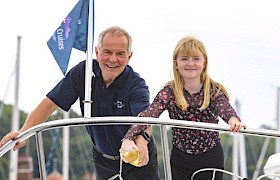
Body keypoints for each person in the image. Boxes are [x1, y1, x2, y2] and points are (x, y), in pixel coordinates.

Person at [0, 26, 160, 180]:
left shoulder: (136, 85)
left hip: (135, 157)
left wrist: (141, 142)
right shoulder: (83, 72)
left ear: (129, 57)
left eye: (120, 54)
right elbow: (49, 104)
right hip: (102, 159)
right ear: (97, 52)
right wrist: (23, 133)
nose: (113, 59)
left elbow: (144, 119)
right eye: (107, 52)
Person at [121, 35, 247, 180]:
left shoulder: (213, 90)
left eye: (196, 58)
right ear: (176, 64)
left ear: (204, 63)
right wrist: (128, 137)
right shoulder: (169, 91)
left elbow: (225, 109)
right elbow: (149, 114)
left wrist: (233, 121)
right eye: (184, 58)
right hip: (180, 159)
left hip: (210, 157)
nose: (190, 63)